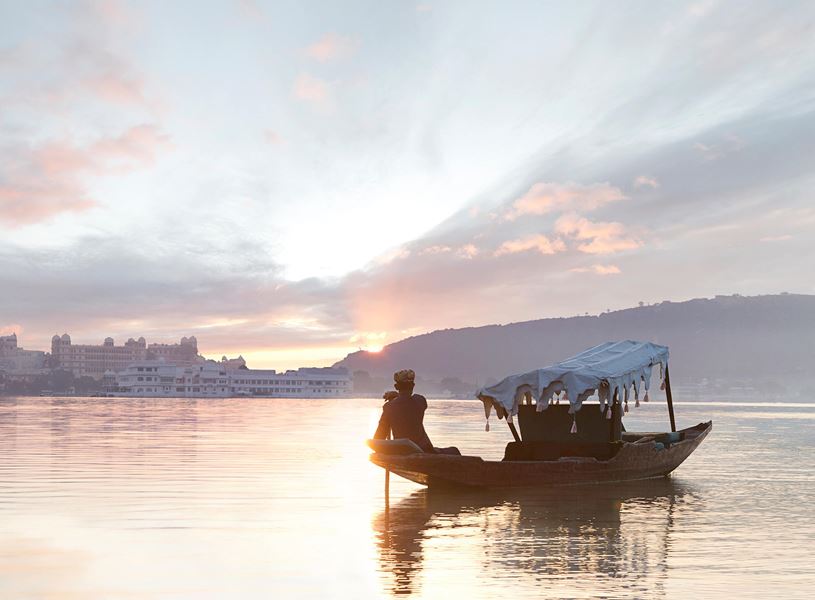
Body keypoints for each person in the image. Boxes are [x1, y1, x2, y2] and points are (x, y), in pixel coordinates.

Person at [373, 369, 460, 455]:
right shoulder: (420, 401)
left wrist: (394, 398)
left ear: (396, 387)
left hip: (401, 451)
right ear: (413, 386)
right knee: (454, 450)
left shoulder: (388, 407)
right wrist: (396, 396)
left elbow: (378, 437)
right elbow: (406, 401)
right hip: (425, 450)